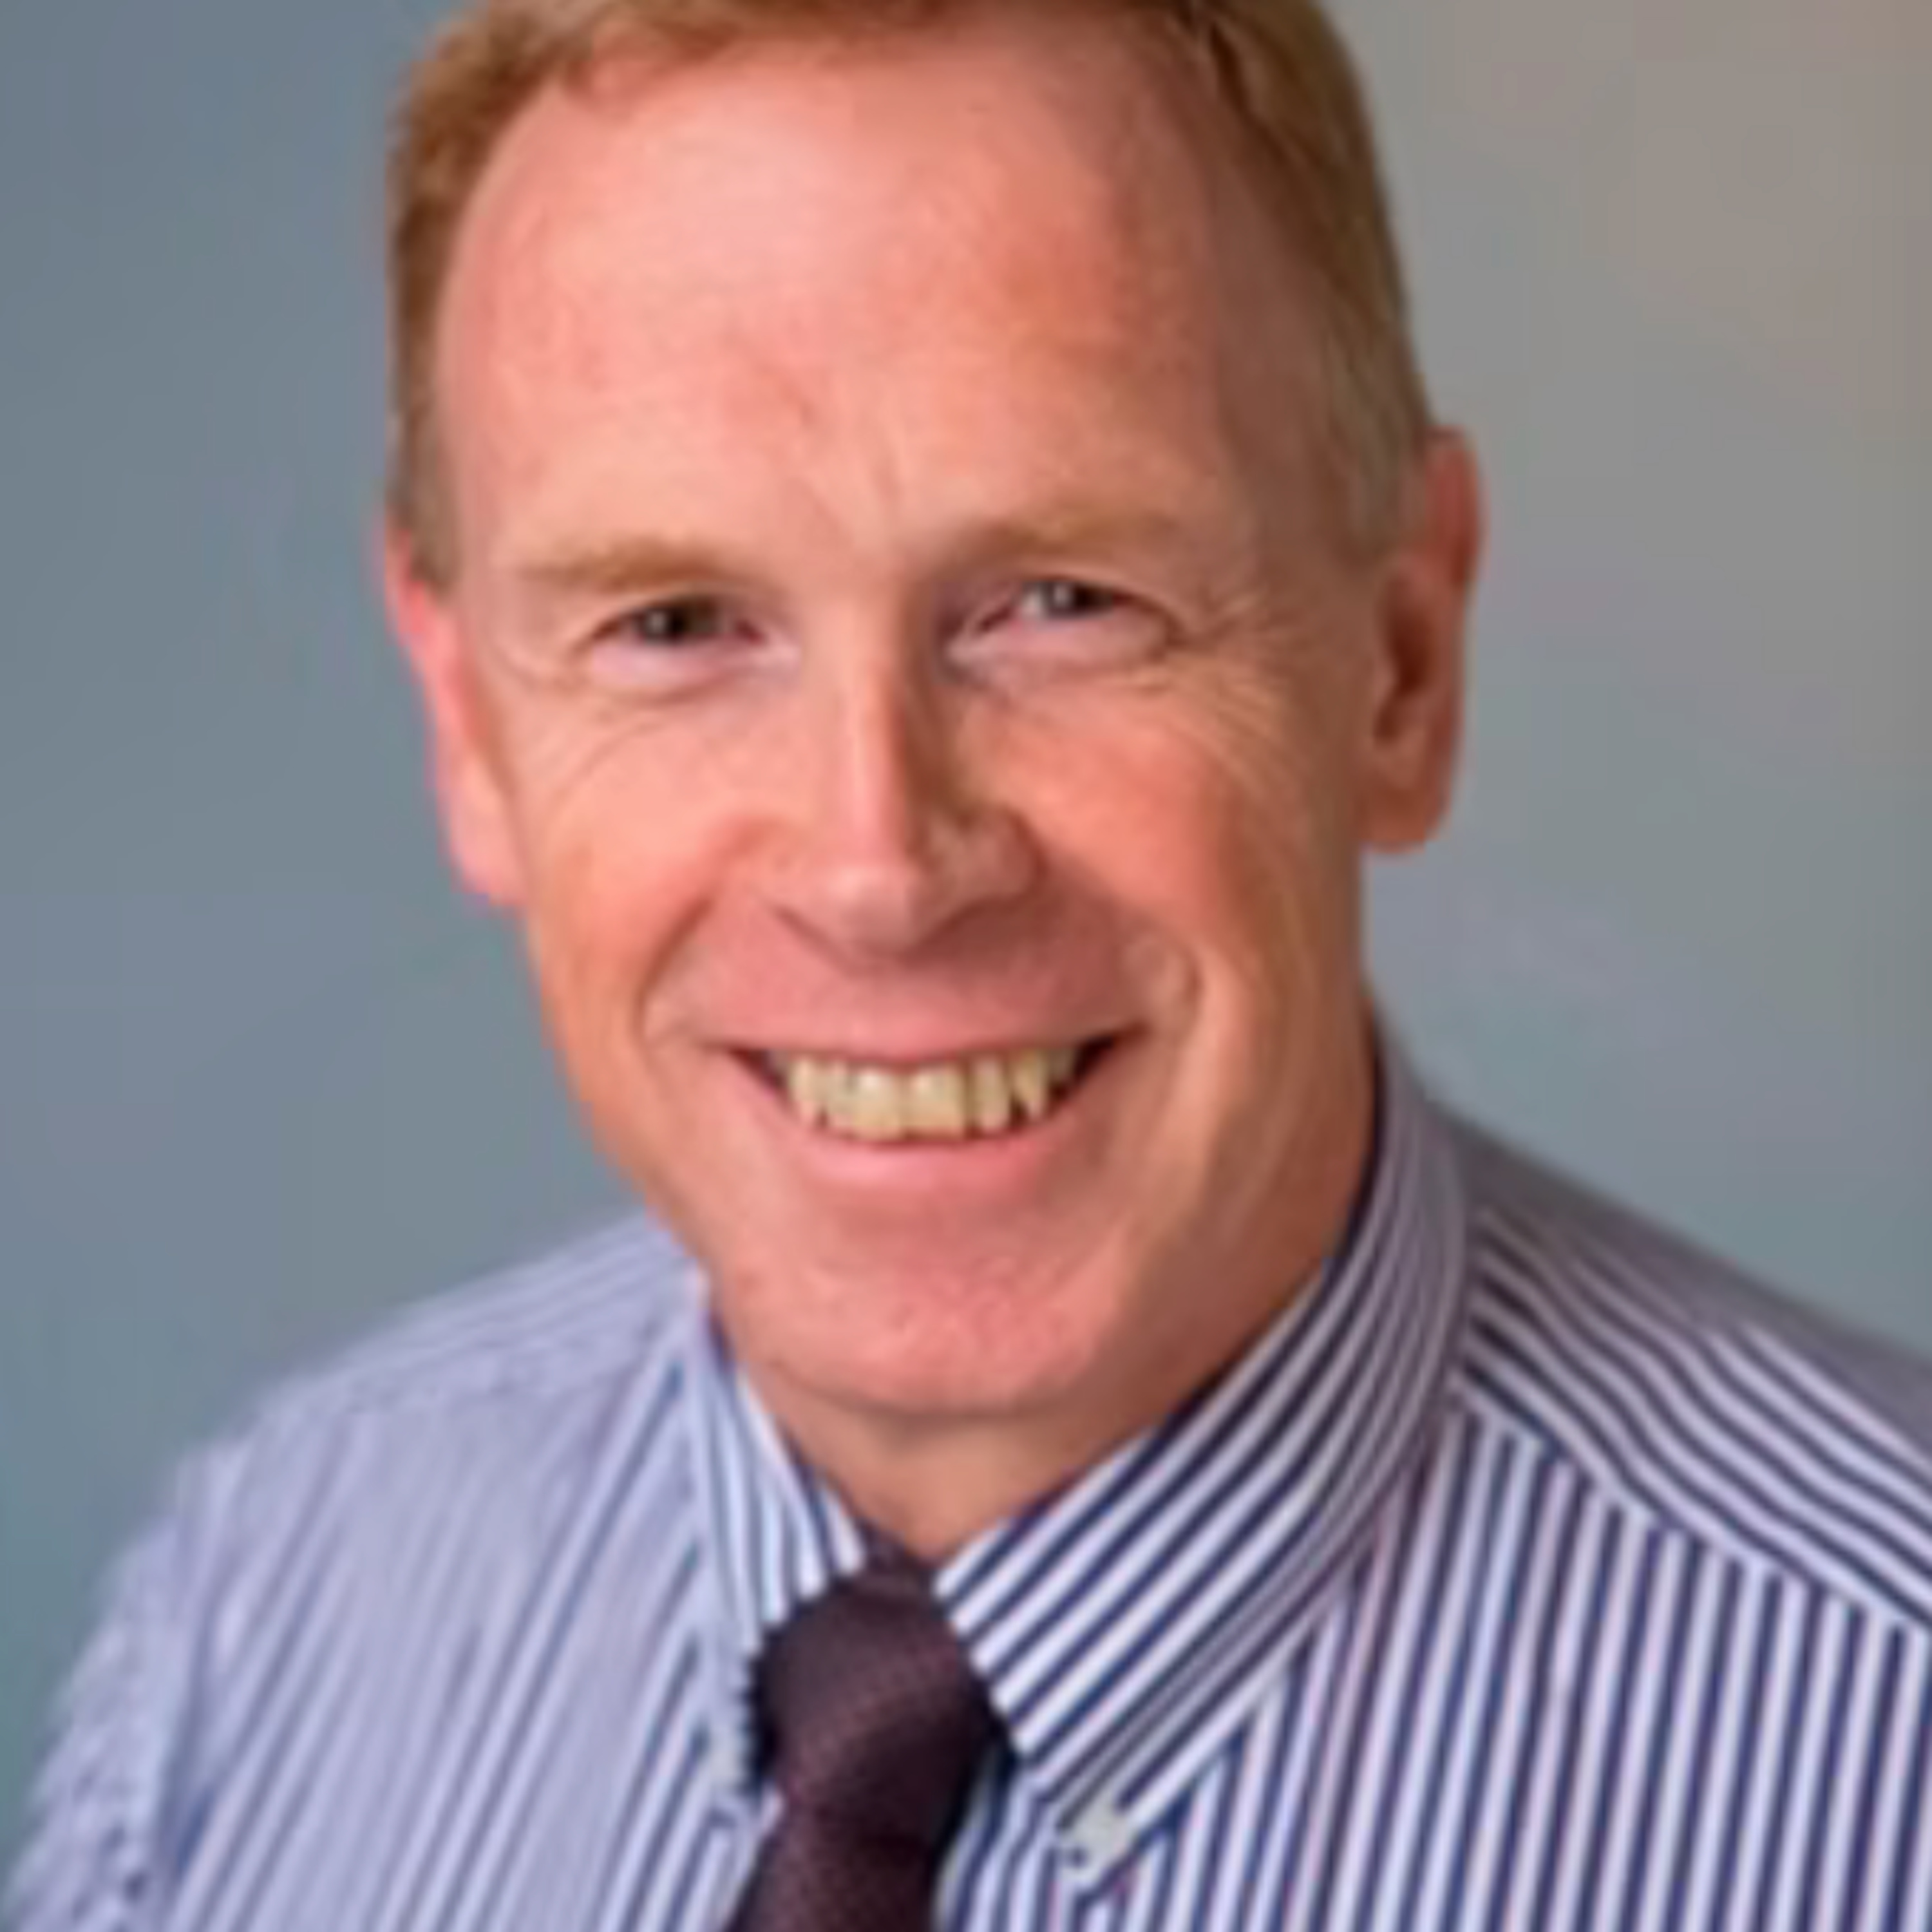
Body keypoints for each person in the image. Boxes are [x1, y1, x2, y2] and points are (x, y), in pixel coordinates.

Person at [13, 0, 1932, 1925]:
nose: (878, 870)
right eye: (675, 624)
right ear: (467, 723)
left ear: (1400, 666)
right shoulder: (257, 1621)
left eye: (1063, 602)